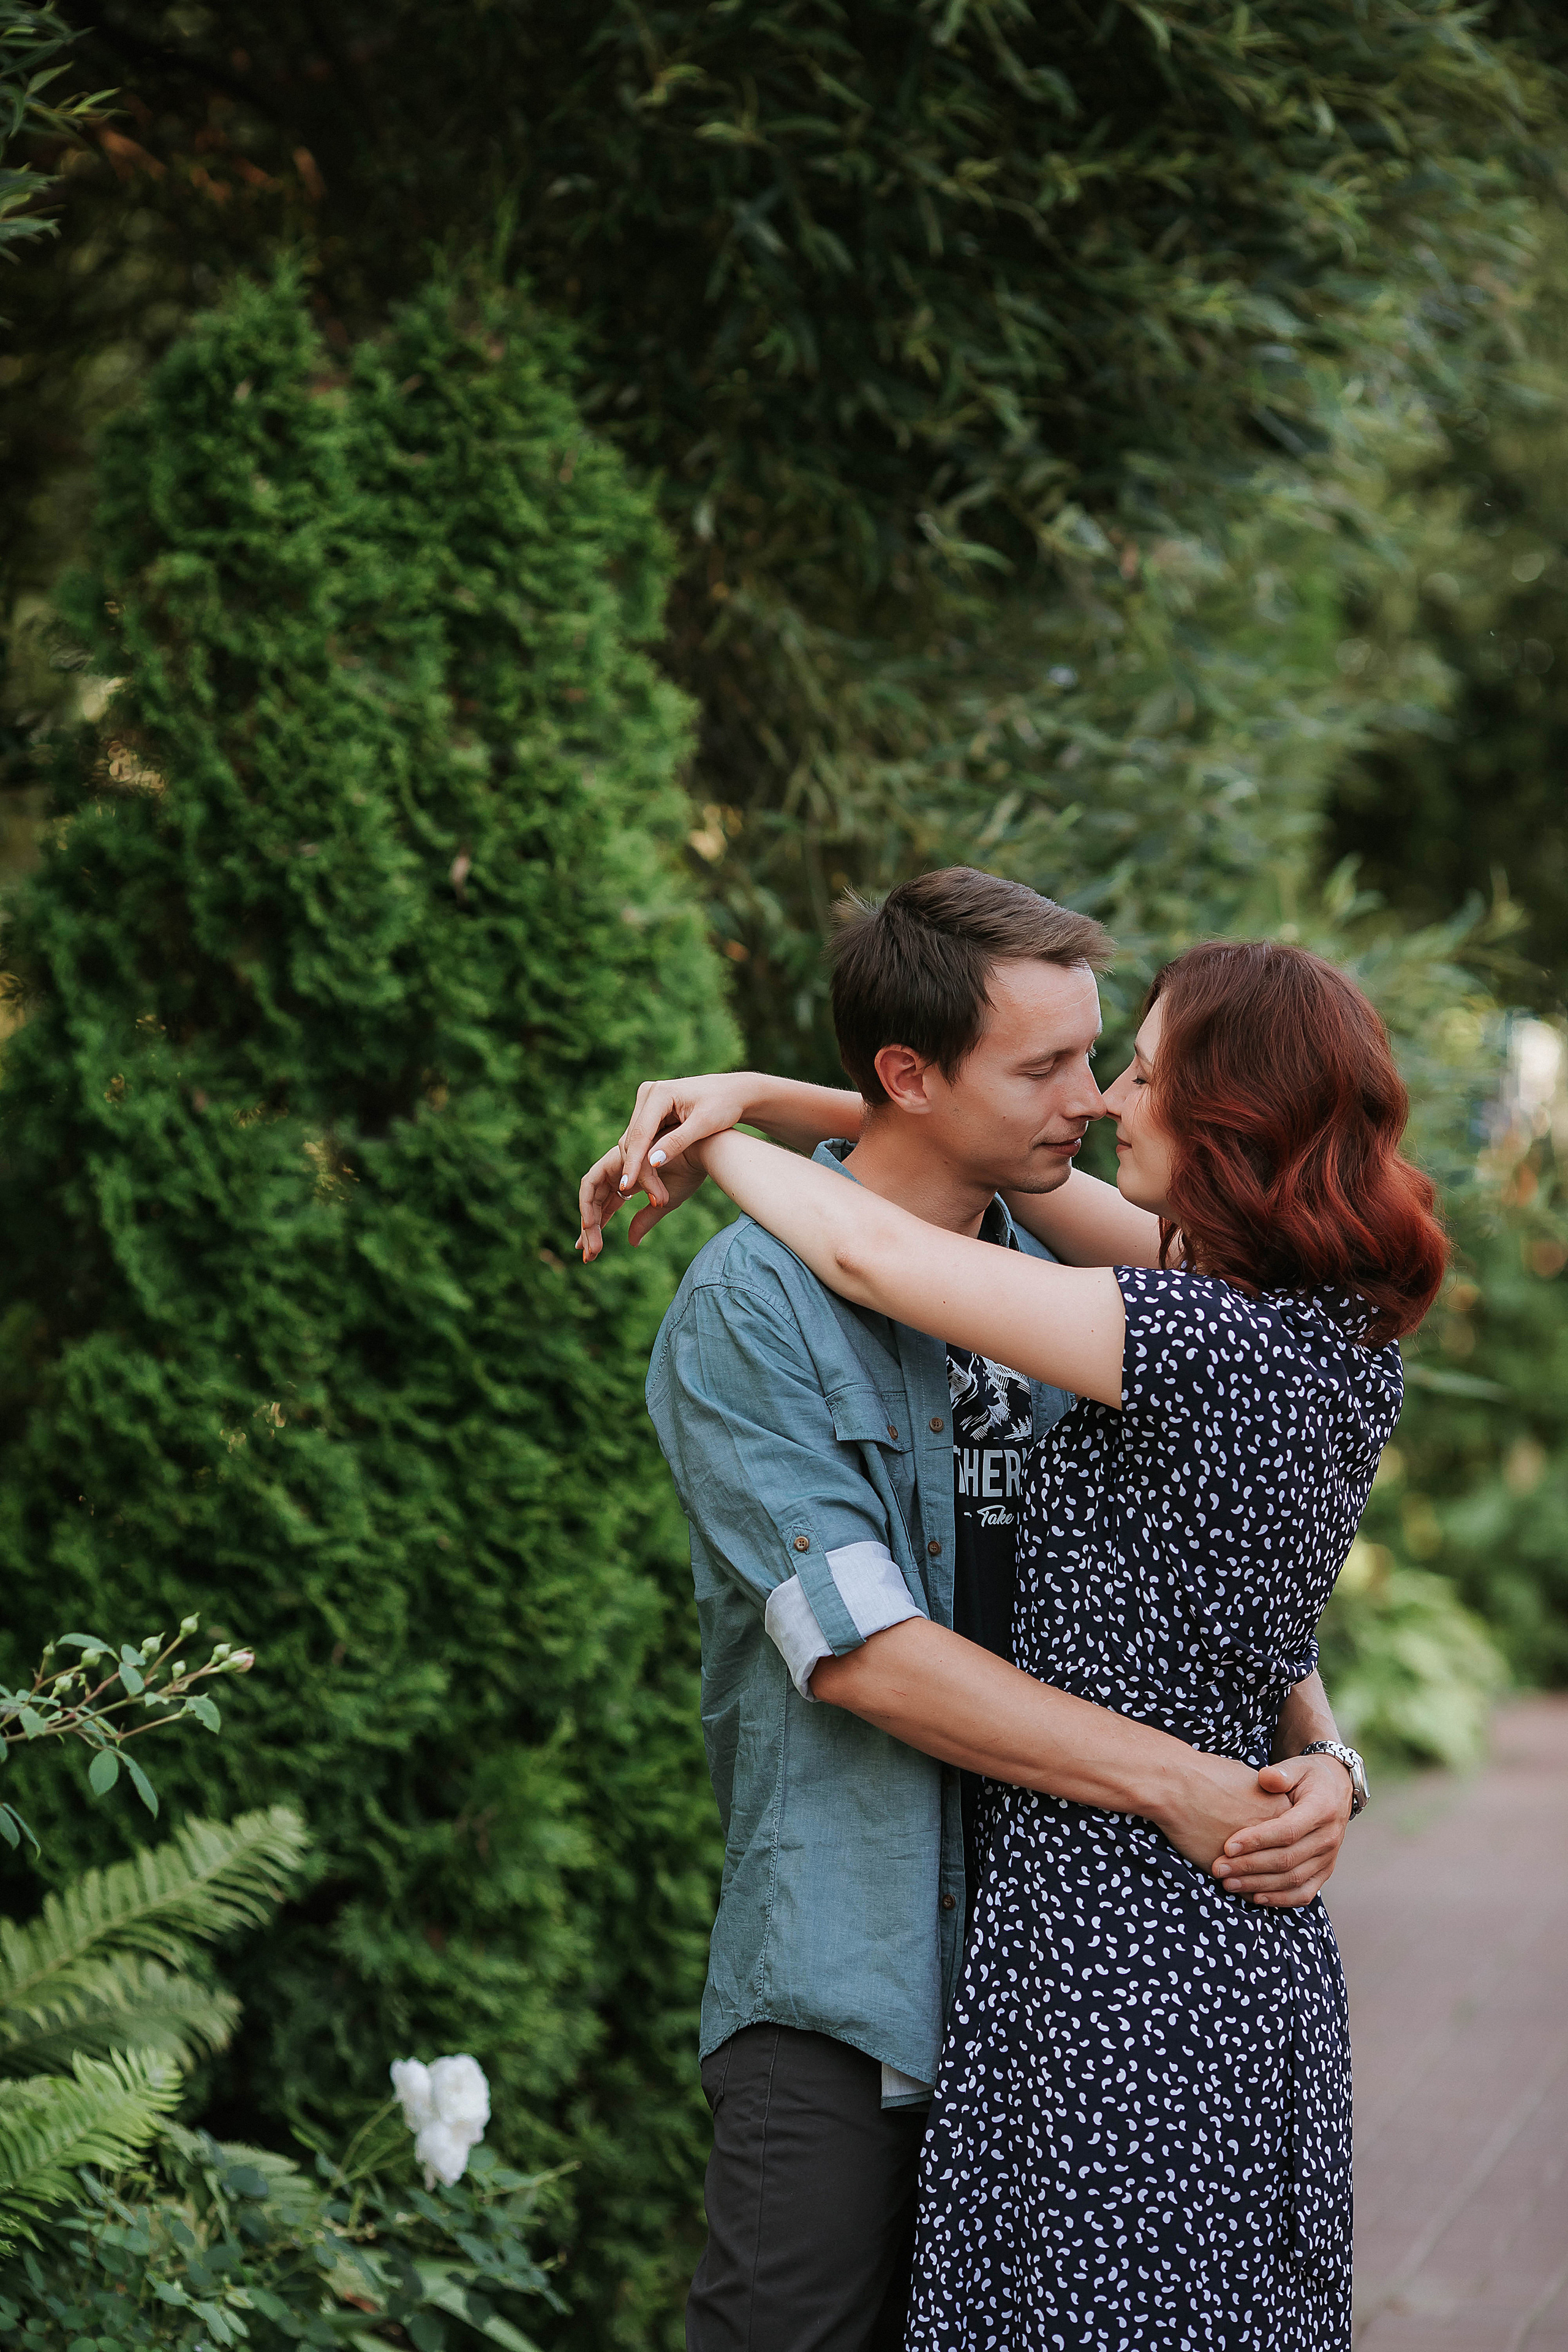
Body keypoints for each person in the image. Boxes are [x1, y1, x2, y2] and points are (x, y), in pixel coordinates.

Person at [577, 872, 1368, 2352]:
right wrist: (1186, 1784)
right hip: (855, 1983)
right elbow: (866, 1659)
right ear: (909, 1074)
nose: (1093, 1098)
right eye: (1049, 1066)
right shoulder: (750, 1311)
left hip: (1068, 1978)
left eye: (1104, 1059)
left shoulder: (1061, 1281)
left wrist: (1323, 1753)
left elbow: (1198, 1568)